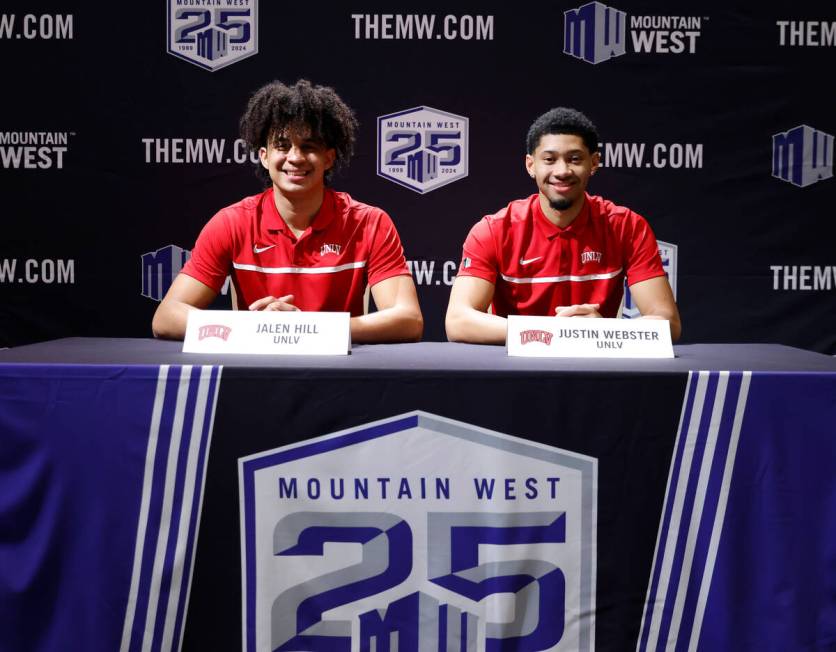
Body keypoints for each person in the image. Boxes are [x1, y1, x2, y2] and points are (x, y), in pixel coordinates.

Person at [152, 80, 423, 343]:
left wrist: (306, 330)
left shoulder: (368, 223)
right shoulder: (231, 222)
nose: (295, 157)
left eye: (309, 146)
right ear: (264, 156)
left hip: (340, 377)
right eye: (282, 146)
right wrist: (255, 328)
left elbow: (408, 320)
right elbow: (166, 317)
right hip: (255, 377)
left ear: (329, 158)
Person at [445, 107, 681, 344]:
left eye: (574, 159)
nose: (562, 171)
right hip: (517, 371)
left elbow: (668, 322)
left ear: (594, 162)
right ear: (531, 165)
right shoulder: (494, 230)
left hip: (597, 368)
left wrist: (603, 331)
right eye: (549, 160)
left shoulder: (626, 226)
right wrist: (551, 332)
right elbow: (458, 321)